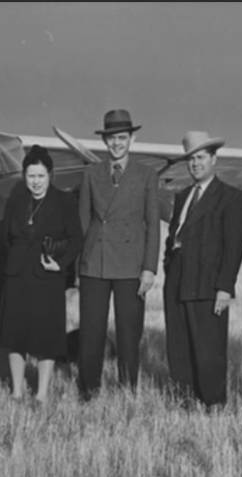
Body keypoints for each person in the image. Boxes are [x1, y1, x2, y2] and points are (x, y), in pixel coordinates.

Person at [76, 109, 160, 401]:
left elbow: (153, 224)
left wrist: (149, 268)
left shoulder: (147, 175)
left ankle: (128, 390)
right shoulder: (91, 174)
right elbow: (83, 221)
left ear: (132, 139)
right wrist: (84, 259)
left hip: (130, 267)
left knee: (128, 334)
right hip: (94, 265)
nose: (116, 144)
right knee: (91, 332)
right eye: (112, 138)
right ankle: (88, 391)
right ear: (105, 140)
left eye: (122, 138)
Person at [162, 131, 242, 408]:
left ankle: (212, 403)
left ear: (214, 159)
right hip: (178, 281)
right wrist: (168, 265)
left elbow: (234, 247)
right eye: (190, 159)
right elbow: (174, 236)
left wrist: (225, 287)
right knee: (179, 345)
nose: (195, 164)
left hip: (208, 284)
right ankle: (184, 400)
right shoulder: (183, 195)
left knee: (208, 348)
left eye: (200, 158)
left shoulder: (231, 197)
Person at [0, 145, 83, 403]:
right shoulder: (16, 200)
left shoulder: (64, 201)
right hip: (17, 276)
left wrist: (62, 264)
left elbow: (76, 239)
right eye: (31, 176)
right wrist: (8, 267)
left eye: (40, 176)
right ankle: (17, 390)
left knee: (47, 335)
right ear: (24, 176)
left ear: (50, 175)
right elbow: (4, 239)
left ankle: (42, 392)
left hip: (47, 275)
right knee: (15, 334)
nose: (35, 181)